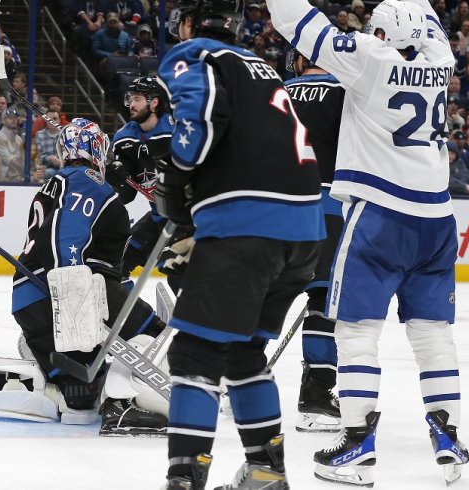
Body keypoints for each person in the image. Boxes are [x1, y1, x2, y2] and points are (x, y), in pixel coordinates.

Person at [267, 0, 469, 486]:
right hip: (438, 217)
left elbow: (294, 20)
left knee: (356, 331)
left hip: (381, 214)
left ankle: (358, 443)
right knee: (433, 334)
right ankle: (449, 438)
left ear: (380, 32)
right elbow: (425, 20)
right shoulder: (442, 57)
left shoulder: (368, 56)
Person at [156, 1, 324, 488]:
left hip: (249, 225)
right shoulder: (264, 68)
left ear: (190, 23)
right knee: (244, 353)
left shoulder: (197, 54)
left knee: (195, 355)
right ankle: (267, 475)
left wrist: (177, 174)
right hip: (305, 228)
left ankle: (184, 479)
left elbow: (201, 120)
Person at [0, 117, 169, 430]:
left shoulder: (61, 184)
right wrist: (69, 292)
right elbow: (67, 239)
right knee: (151, 331)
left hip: (28, 302)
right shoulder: (85, 181)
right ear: (96, 148)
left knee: (80, 402)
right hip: (65, 290)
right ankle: (121, 404)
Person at [285, 47, 347, 433]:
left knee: (262, 296)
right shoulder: (345, 90)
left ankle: (237, 380)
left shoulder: (274, 90)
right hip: (325, 209)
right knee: (323, 302)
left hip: (273, 211)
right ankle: (317, 397)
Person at [108, 76, 177, 286]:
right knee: (114, 266)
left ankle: (194, 319)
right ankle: (135, 318)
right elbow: (127, 196)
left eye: (137, 98)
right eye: (130, 98)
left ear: (154, 102)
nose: (131, 104)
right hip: (158, 221)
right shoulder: (125, 137)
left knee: (178, 273)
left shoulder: (177, 132)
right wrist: (117, 178)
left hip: (188, 223)